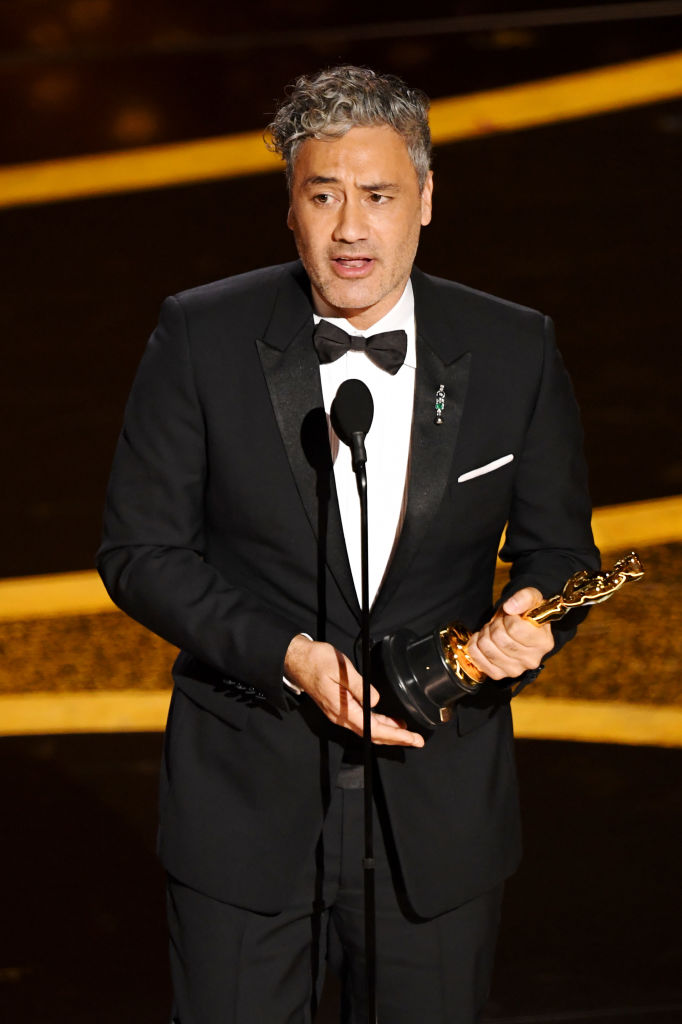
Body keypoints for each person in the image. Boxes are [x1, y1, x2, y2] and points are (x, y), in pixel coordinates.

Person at [97, 65, 599, 1024]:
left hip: (438, 811)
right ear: (290, 207)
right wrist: (287, 655)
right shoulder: (201, 335)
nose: (351, 229)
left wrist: (533, 617)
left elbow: (562, 553)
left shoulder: (515, 348)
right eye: (323, 196)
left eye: (378, 195)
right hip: (244, 809)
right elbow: (140, 552)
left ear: (426, 198)